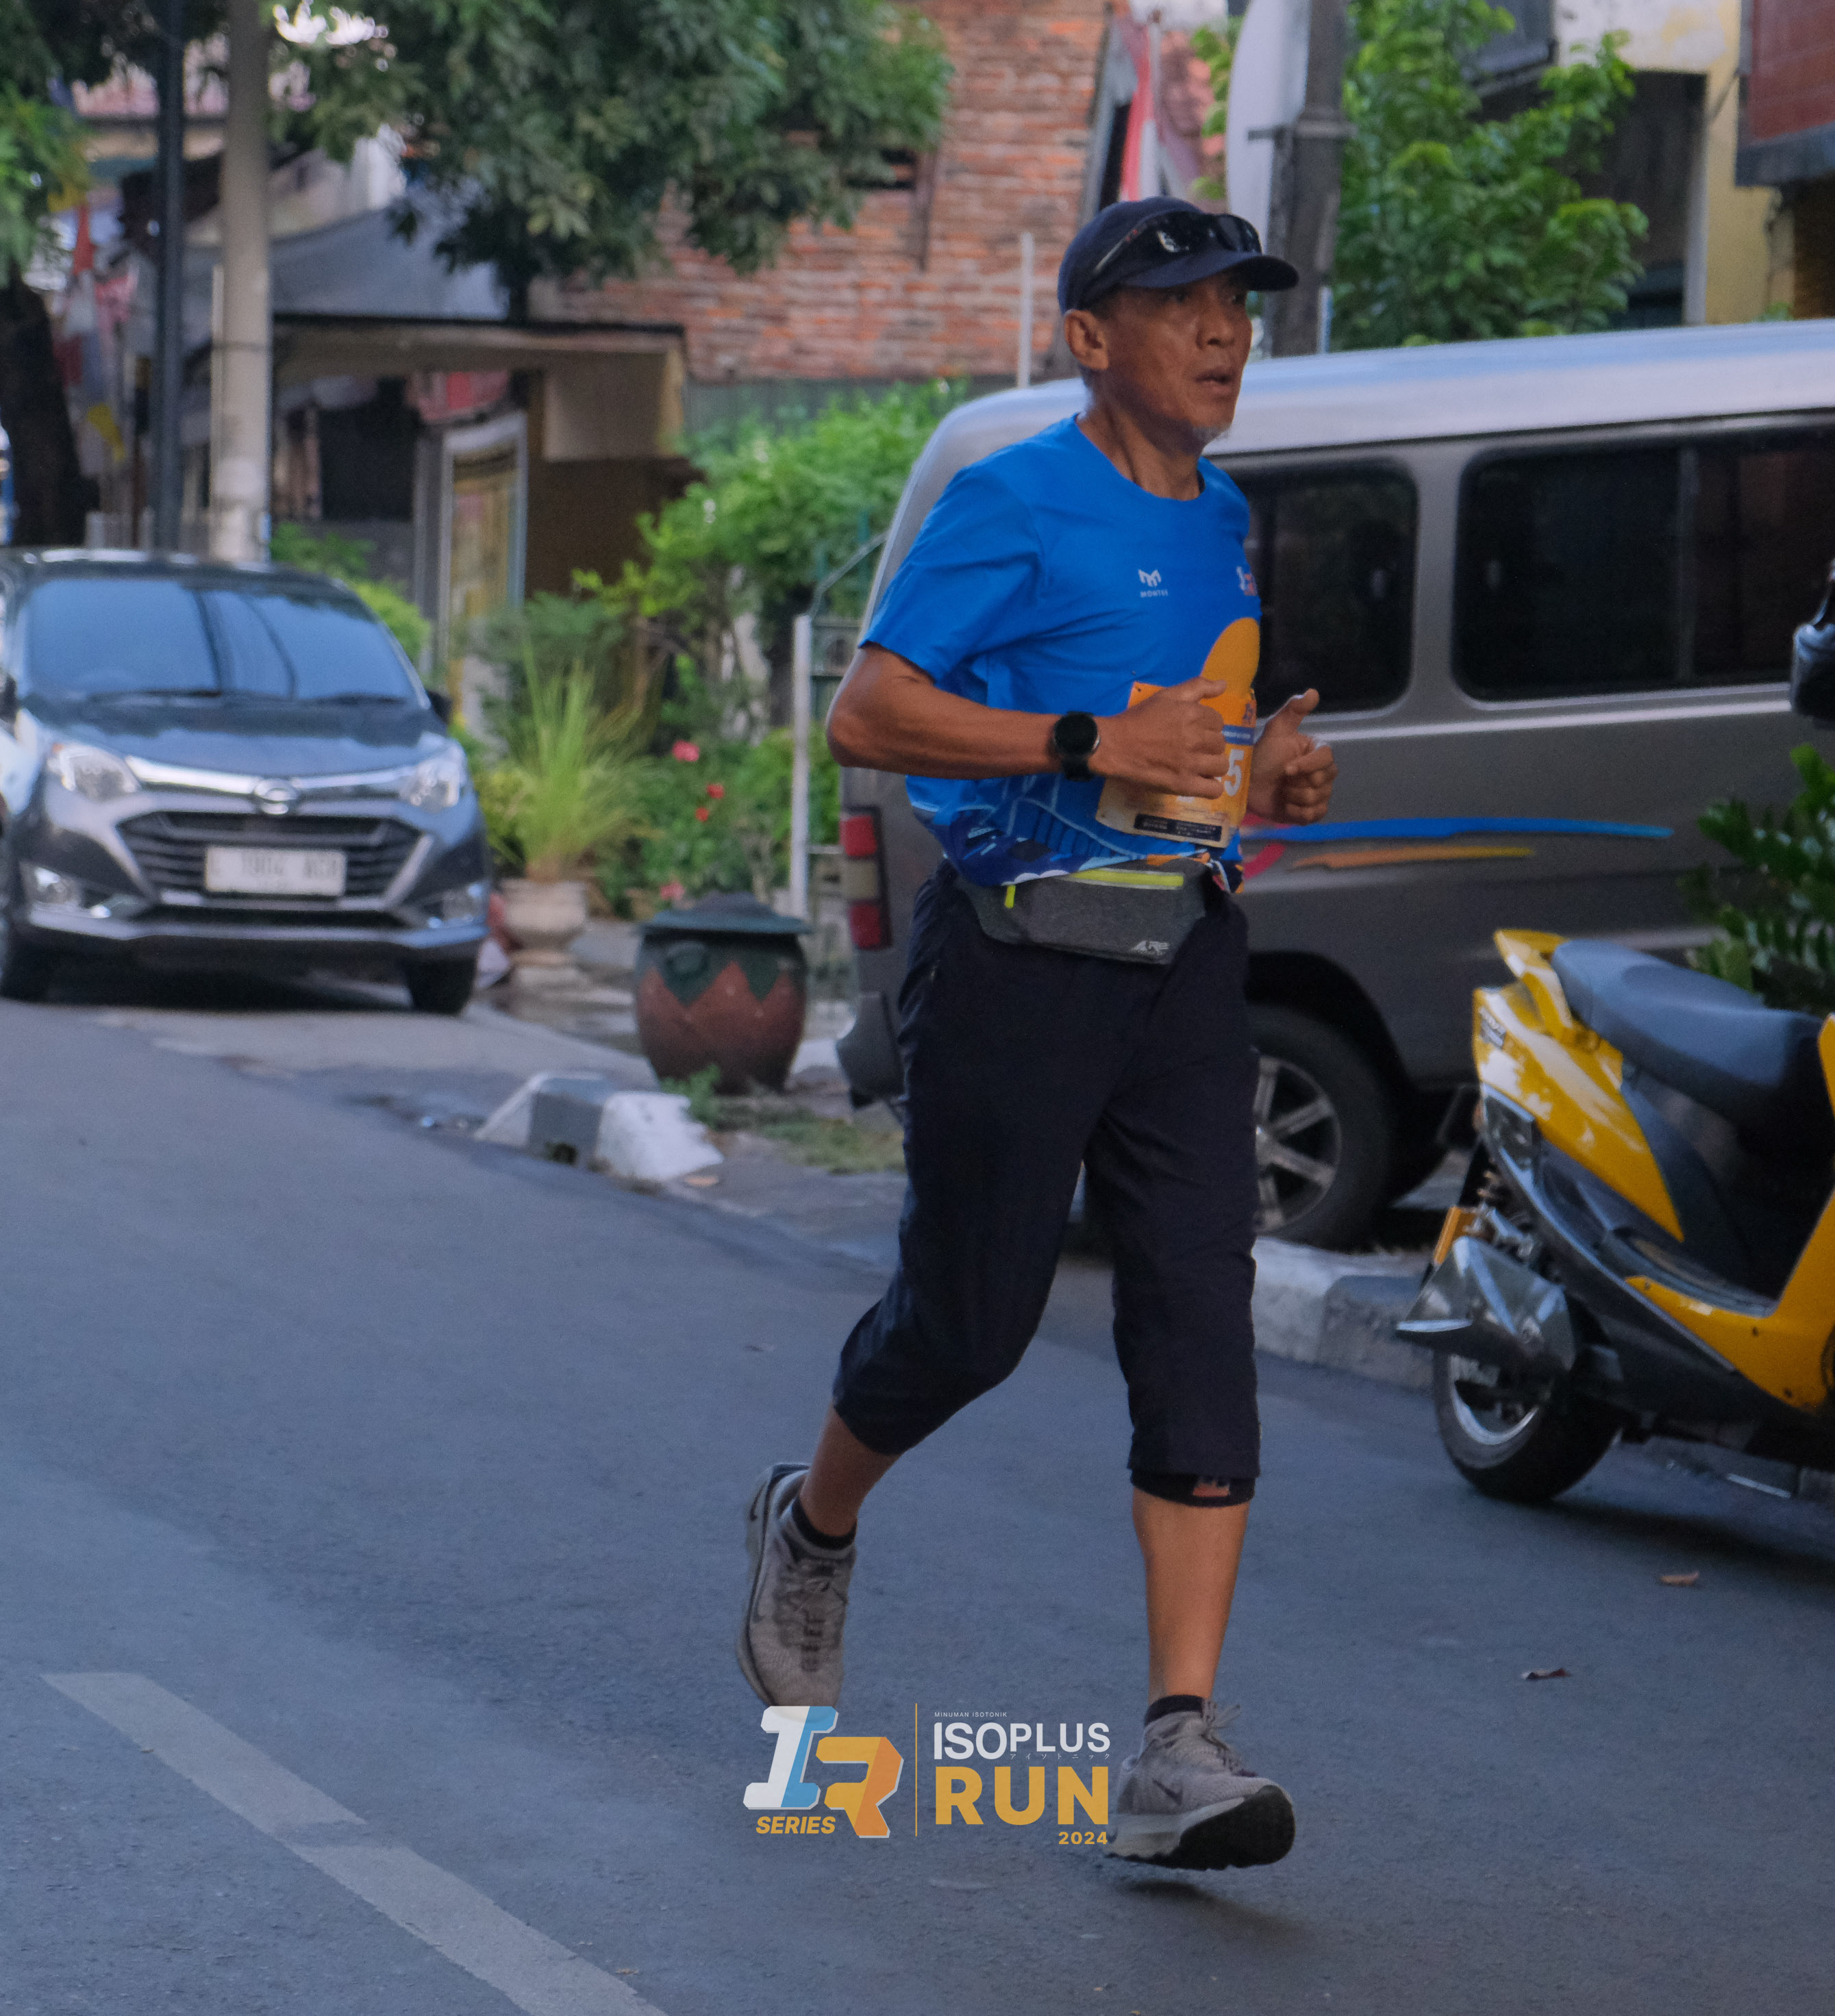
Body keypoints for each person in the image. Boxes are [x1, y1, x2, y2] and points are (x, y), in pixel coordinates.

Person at [736, 198, 1338, 1872]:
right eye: (1184, 304)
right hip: (1016, 954)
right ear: (1089, 337)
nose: (1222, 333)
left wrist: (1264, 777)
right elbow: (868, 711)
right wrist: (1087, 742)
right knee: (972, 1320)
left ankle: (1177, 1739)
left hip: (1181, 954)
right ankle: (812, 1521)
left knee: (1198, 1312)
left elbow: (1186, 752)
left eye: (1237, 308)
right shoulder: (1011, 499)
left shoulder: (1225, 519)